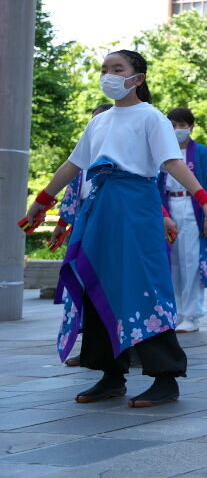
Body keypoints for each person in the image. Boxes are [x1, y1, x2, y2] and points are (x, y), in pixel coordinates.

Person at [25, 50, 207, 407]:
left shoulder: (152, 117)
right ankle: (110, 375)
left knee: (144, 285)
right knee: (99, 283)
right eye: (105, 69)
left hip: (136, 207)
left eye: (118, 69)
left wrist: (206, 201)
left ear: (138, 78)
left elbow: (172, 163)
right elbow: (73, 164)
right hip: (100, 208)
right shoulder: (99, 122)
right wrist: (43, 199)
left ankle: (165, 378)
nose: (109, 75)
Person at [159, 107, 207, 334]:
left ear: (191, 127)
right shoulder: (161, 151)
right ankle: (175, 312)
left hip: (194, 207)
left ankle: (192, 314)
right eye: (173, 125)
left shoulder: (201, 152)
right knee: (171, 262)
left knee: (191, 261)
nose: (178, 130)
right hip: (168, 206)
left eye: (182, 125)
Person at [58, 103, 112, 368]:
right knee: (83, 287)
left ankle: (128, 350)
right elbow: (71, 196)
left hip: (113, 230)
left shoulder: (121, 159)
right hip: (84, 230)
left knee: (112, 288)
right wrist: (62, 223)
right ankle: (90, 349)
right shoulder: (81, 160)